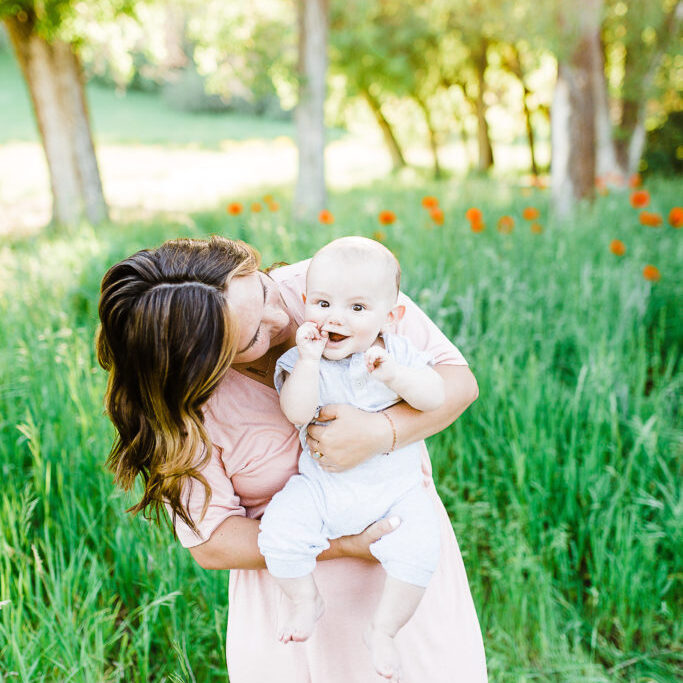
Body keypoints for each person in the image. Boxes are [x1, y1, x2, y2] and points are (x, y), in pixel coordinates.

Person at [97, 235, 488, 683]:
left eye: (263, 289)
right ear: (202, 365)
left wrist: (381, 432)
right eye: (253, 337)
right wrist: (341, 545)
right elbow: (212, 541)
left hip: (403, 572)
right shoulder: (184, 407)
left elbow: (458, 383)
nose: (282, 318)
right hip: (295, 608)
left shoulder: (339, 284)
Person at [259, 237, 445, 680]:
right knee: (279, 531)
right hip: (322, 488)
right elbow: (297, 413)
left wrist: (396, 376)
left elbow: (435, 396)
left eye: (357, 309)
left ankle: (383, 629)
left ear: (390, 316)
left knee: (420, 550)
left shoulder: (396, 354)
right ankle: (305, 600)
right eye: (322, 303)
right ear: (306, 305)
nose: (335, 317)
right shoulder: (300, 361)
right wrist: (307, 361)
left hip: (396, 493)